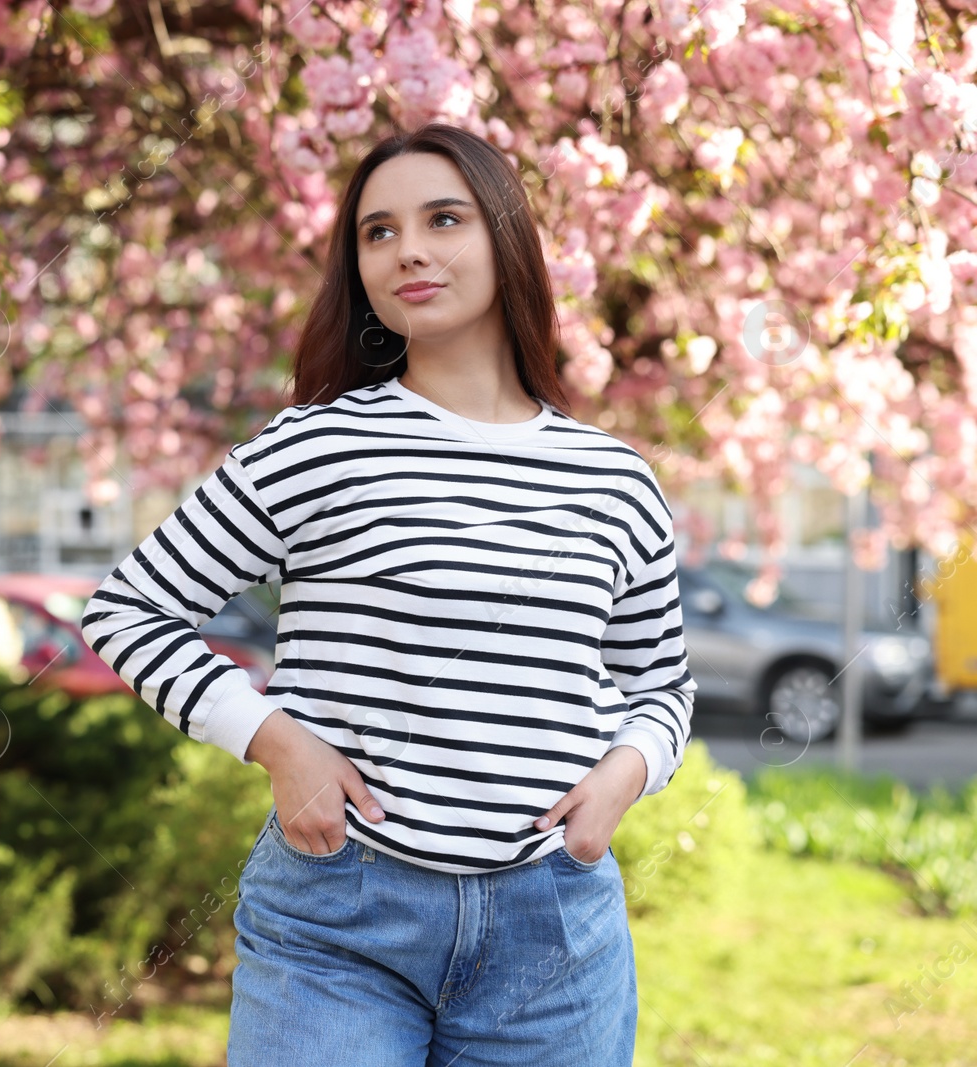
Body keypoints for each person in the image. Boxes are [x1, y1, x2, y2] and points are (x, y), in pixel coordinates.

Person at [78, 123, 695, 1066]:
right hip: (339, 916)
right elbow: (127, 610)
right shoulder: (314, 447)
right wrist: (278, 742)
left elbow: (662, 683)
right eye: (377, 231)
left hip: (555, 931)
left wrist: (622, 778)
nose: (407, 249)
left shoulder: (613, 478)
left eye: (443, 219)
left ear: (505, 237)